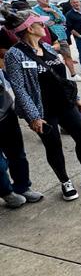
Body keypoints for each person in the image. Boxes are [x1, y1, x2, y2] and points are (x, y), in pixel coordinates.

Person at [4, 8, 81, 200]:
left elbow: (61, 77)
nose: (44, 26)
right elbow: (19, 89)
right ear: (30, 28)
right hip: (42, 110)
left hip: (64, 103)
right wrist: (33, 116)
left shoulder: (47, 47)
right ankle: (65, 182)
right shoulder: (14, 55)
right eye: (40, 23)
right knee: (53, 146)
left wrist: (76, 97)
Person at [0, 68, 43, 208]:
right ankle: (6, 193)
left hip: (6, 115)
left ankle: (22, 187)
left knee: (17, 154)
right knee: (0, 165)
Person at [32, 0, 81, 81]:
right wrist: (54, 21)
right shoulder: (35, 10)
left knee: (67, 55)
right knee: (51, 59)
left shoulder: (53, 7)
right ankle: (56, 78)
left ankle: (73, 75)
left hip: (60, 35)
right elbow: (41, 23)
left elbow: (63, 19)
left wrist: (53, 12)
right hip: (46, 38)